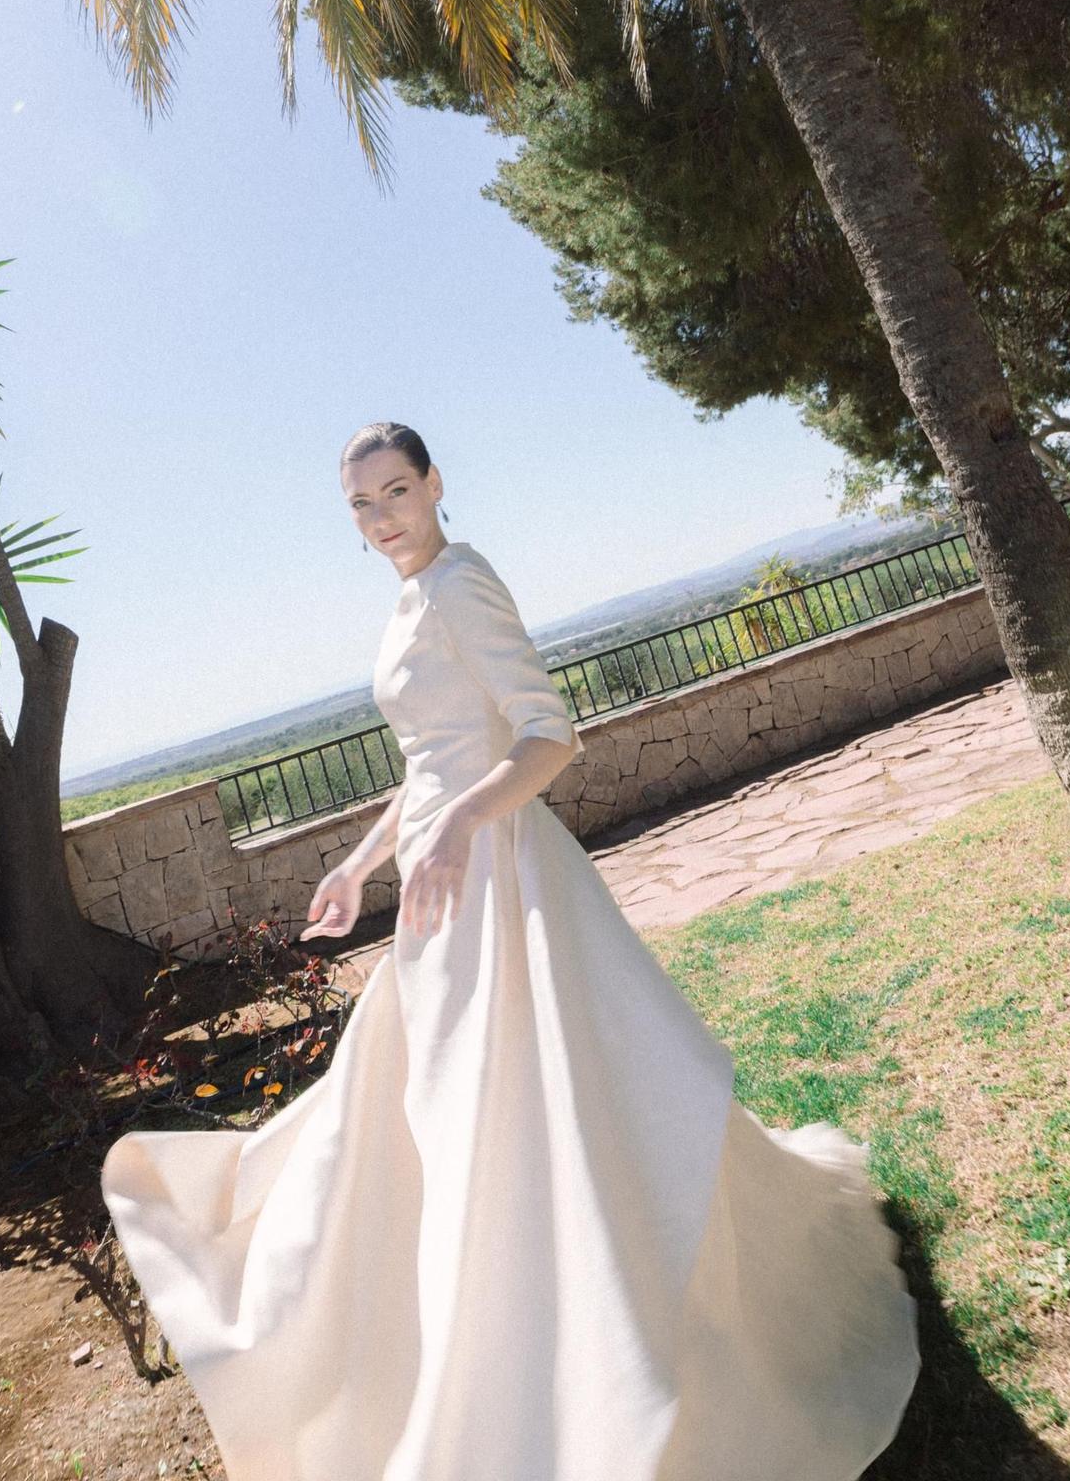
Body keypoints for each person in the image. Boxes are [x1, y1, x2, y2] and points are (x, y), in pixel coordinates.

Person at [101, 421, 921, 1481]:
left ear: (434, 482)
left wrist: (457, 825)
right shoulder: (410, 601)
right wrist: (358, 862)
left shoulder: (461, 581)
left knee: (532, 1102)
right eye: (361, 503)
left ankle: (592, 1339)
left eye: (396, 490)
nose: (382, 516)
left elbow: (546, 734)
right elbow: (429, 761)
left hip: (503, 881)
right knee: (444, 1104)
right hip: (443, 889)